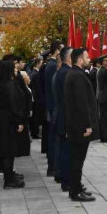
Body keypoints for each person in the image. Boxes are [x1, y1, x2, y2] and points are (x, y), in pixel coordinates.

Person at [64, 48, 99, 202]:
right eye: (86, 56)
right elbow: (81, 104)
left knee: (77, 159)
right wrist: (87, 125)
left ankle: (76, 187)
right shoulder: (77, 76)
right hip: (79, 126)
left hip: (75, 125)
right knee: (77, 160)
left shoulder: (75, 74)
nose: (89, 58)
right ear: (79, 60)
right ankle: (75, 191)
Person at [0, 61, 26, 189]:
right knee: (9, 149)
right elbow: (13, 104)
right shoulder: (9, 85)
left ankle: (9, 176)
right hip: (9, 120)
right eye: (14, 69)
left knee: (6, 148)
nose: (16, 70)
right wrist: (19, 121)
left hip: (2, 119)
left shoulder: (1, 83)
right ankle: (8, 179)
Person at [52, 47, 73, 190]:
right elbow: (68, 100)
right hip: (65, 117)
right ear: (69, 58)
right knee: (66, 151)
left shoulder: (61, 72)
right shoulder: (66, 73)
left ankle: (62, 176)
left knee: (63, 149)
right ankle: (66, 180)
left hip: (61, 116)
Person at [42, 42, 62, 177]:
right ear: (57, 51)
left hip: (52, 107)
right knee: (54, 139)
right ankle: (53, 167)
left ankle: (53, 165)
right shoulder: (53, 66)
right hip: (53, 107)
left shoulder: (51, 65)